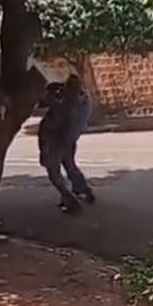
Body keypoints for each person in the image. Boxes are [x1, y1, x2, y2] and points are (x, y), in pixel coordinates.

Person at [38, 75, 95, 213]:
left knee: (53, 172)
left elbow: (49, 102)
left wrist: (50, 95)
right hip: (69, 140)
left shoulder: (66, 106)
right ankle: (83, 190)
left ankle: (70, 199)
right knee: (70, 166)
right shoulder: (84, 102)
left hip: (55, 141)